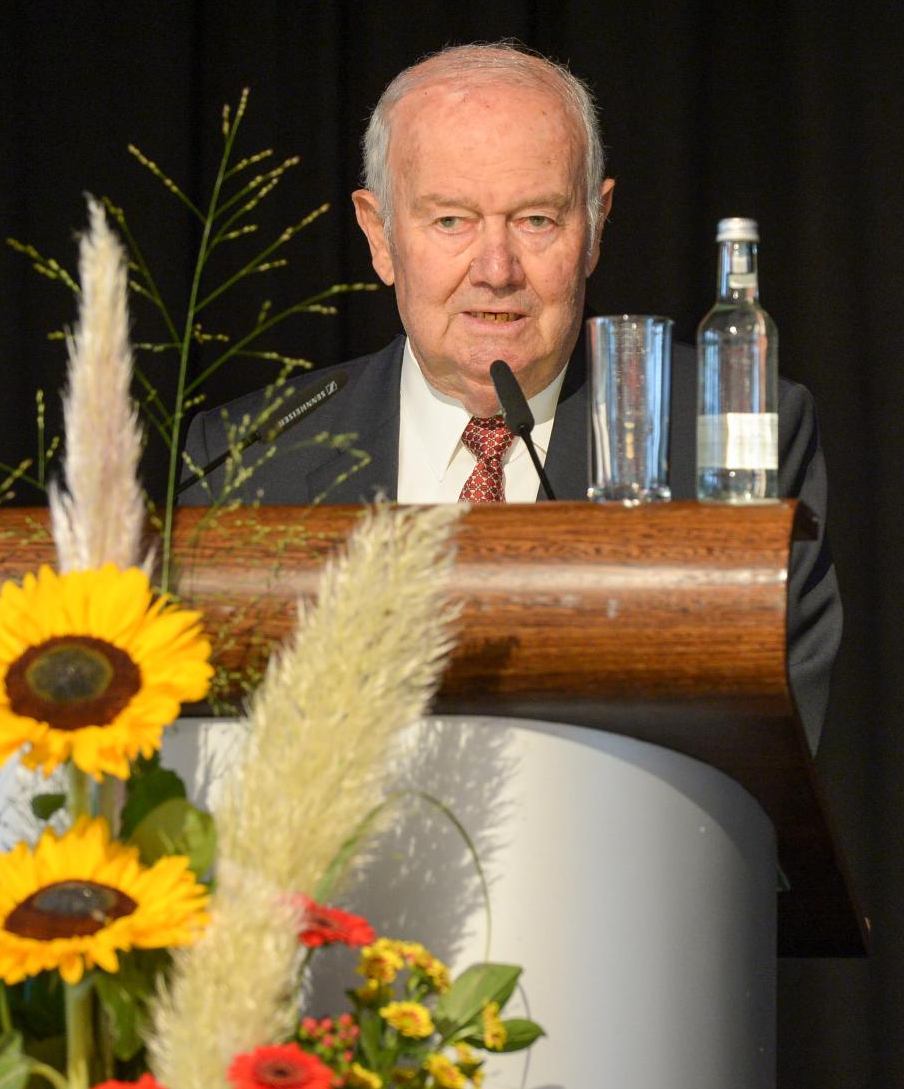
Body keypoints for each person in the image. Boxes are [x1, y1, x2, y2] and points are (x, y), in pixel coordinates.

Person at [181, 42, 841, 746]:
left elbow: (759, 758)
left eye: (536, 220)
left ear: (595, 226)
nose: (496, 270)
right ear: (379, 236)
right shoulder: (246, 461)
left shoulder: (729, 436)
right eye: (451, 221)